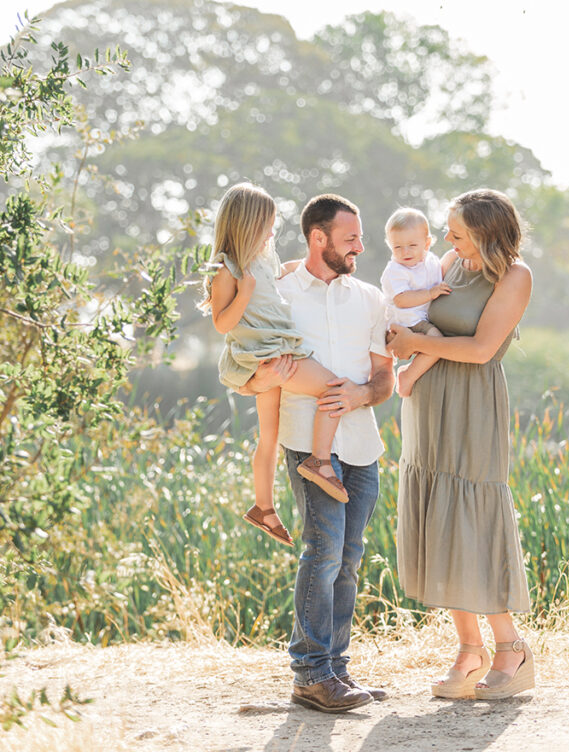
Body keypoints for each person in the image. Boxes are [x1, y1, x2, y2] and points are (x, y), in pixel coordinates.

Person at [237, 193, 394, 713]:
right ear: (318, 238)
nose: (361, 246)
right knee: (322, 554)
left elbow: (384, 378)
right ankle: (309, 672)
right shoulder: (275, 290)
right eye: (351, 238)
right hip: (307, 444)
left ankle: (336, 671)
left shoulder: (371, 298)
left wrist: (360, 394)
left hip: (362, 446)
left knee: (348, 561)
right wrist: (258, 377)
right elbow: (245, 362)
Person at [387, 189, 535, 701]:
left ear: (487, 234)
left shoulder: (515, 277)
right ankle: (469, 650)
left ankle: (510, 647)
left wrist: (414, 347)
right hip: (428, 405)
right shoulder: (449, 262)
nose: (445, 240)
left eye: (456, 232)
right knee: (440, 520)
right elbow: (416, 316)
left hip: (473, 405)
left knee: (473, 521)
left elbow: (480, 348)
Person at [201, 183, 351, 549]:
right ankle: (319, 461)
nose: (272, 231)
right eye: (267, 224)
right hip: (270, 354)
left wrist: (302, 266)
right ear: (247, 223)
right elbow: (221, 323)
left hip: (274, 351)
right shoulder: (227, 268)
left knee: (269, 438)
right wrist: (246, 291)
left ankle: (263, 508)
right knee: (334, 388)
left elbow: (275, 278)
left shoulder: (262, 259)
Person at [380, 207, 452, 398]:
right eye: (397, 247)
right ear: (390, 246)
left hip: (422, 316)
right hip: (408, 320)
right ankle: (408, 375)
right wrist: (430, 293)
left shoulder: (431, 261)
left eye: (412, 245)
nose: (405, 252)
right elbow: (402, 300)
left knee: (435, 342)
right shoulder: (395, 271)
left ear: (427, 243)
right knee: (437, 341)